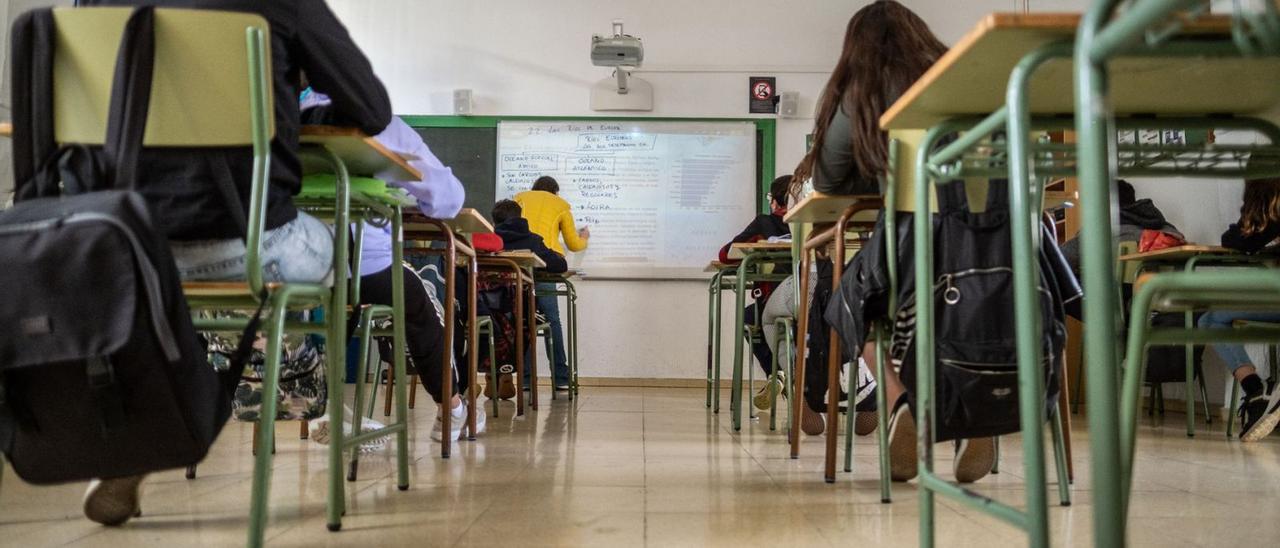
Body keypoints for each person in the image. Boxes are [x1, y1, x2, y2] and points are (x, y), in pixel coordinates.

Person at [77, 0, 391, 527]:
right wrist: (295, 113)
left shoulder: (97, 5)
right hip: (249, 245)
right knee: (333, 245)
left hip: (123, 245)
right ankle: (298, 380)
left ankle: (150, 432)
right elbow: (372, 109)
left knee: (181, 310)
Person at [798, 0, 999, 483]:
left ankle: (903, 402)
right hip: (1005, 256)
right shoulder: (967, 79)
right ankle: (973, 410)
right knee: (958, 305)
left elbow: (828, 177)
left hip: (916, 247)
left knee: (851, 301)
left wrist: (883, 172)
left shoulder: (862, 92)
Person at [301, 90, 482, 444]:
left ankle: (324, 402)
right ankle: (454, 406)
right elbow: (449, 198)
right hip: (365, 268)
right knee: (419, 302)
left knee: (335, 302)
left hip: (286, 265)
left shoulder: (270, 116)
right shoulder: (379, 123)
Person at [1197, 176, 1280, 442]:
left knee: (1209, 320)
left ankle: (1256, 389)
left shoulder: (1273, 215)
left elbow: (1237, 239)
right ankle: (1259, 392)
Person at [717, 176, 791, 411]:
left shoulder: (765, 223)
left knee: (749, 317)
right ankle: (787, 377)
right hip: (814, 303)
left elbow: (727, 254)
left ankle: (777, 374)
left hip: (773, 302)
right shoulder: (811, 223)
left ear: (776, 202)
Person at [514, 176, 585, 391]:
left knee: (524, 320)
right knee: (552, 321)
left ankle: (525, 381)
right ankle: (561, 379)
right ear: (555, 191)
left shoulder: (519, 199)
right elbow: (573, 244)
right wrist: (585, 238)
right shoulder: (560, 205)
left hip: (519, 263)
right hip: (546, 266)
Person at [490, 199, 569, 393]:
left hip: (492, 309)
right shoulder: (532, 240)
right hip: (525, 307)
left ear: (495, 221)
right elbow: (560, 266)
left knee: (513, 320)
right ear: (520, 217)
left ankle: (513, 378)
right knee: (549, 320)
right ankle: (560, 377)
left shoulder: (488, 241)